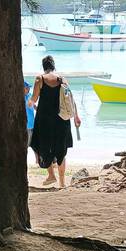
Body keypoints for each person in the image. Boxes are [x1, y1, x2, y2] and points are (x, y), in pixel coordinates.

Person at [29, 55, 80, 188]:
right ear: (53, 65)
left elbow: (34, 98)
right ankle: (62, 183)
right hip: (61, 119)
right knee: (61, 150)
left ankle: (51, 175)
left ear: (43, 66)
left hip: (44, 120)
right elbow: (71, 99)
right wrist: (76, 116)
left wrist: (28, 103)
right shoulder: (62, 79)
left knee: (43, 146)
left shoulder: (39, 78)